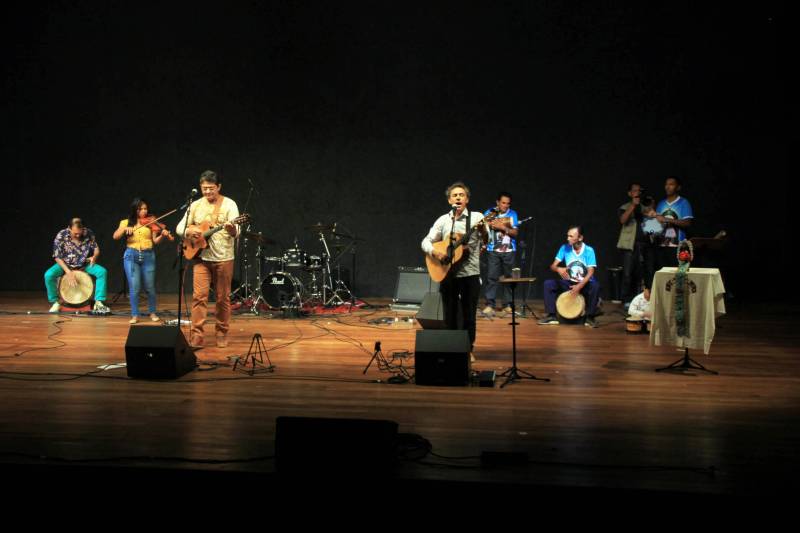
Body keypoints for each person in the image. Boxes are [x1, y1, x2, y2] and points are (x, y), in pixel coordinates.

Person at [176, 170, 240, 349]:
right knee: (199, 297)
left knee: (222, 298)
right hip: (201, 258)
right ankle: (197, 335)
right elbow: (180, 227)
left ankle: (221, 332)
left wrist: (232, 229)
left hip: (223, 258)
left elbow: (237, 232)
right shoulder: (195, 205)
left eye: (211, 188)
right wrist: (189, 231)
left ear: (218, 187)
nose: (207, 192)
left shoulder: (229, 204)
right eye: (204, 188)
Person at [421, 182, 485, 356]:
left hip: (470, 273)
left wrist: (489, 230)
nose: (458, 197)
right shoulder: (443, 220)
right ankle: (451, 348)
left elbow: (487, 238)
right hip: (448, 274)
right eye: (455, 195)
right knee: (449, 314)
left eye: (462, 195)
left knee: (468, 315)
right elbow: (425, 241)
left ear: (467, 199)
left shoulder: (477, 217)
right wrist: (435, 252)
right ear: (450, 200)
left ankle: (468, 350)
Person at [113, 198, 173, 324]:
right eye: (141, 209)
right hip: (131, 256)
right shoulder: (125, 222)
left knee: (150, 287)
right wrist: (124, 230)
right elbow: (115, 236)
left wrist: (162, 235)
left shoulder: (151, 222)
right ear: (135, 210)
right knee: (134, 287)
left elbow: (155, 241)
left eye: (145, 208)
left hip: (148, 256)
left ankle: (152, 312)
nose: (144, 211)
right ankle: (135, 315)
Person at [538, 225, 601, 328]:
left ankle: (590, 317)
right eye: (568, 236)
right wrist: (558, 269)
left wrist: (579, 287)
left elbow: (590, 272)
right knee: (548, 284)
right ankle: (552, 315)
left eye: (571, 236)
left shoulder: (589, 250)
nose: (568, 238)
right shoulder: (564, 248)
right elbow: (553, 266)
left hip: (584, 283)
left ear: (580, 238)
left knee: (595, 286)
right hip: (570, 282)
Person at [44, 217, 110, 313]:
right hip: (66, 264)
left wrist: (94, 257)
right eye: (75, 233)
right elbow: (57, 256)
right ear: (69, 228)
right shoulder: (61, 235)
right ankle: (55, 302)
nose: (78, 235)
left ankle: (98, 301)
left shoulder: (88, 233)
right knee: (49, 275)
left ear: (83, 228)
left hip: (84, 264)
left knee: (102, 272)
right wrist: (68, 272)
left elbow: (96, 249)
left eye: (80, 232)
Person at [644, 176, 693, 288]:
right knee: (664, 277)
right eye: (666, 184)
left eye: (671, 184)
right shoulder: (661, 204)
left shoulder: (683, 203)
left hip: (678, 246)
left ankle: (677, 303)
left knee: (678, 277)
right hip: (662, 245)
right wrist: (650, 219)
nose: (668, 186)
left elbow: (687, 223)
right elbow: (657, 225)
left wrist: (666, 219)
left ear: (678, 187)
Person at [481, 192, 519, 316]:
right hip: (493, 250)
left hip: (509, 250)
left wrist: (502, 227)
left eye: (508, 203)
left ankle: (507, 305)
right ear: (497, 202)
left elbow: (515, 232)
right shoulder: (489, 213)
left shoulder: (513, 214)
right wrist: (488, 226)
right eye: (503, 203)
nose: (505, 205)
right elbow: (483, 231)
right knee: (492, 277)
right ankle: (490, 304)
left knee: (509, 278)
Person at [616, 182, 647, 306]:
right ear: (630, 193)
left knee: (641, 273)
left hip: (643, 245)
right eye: (634, 190)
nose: (637, 193)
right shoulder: (624, 207)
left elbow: (652, 224)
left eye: (639, 190)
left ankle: (640, 299)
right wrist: (633, 206)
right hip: (629, 245)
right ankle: (626, 300)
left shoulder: (645, 207)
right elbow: (623, 220)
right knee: (628, 274)